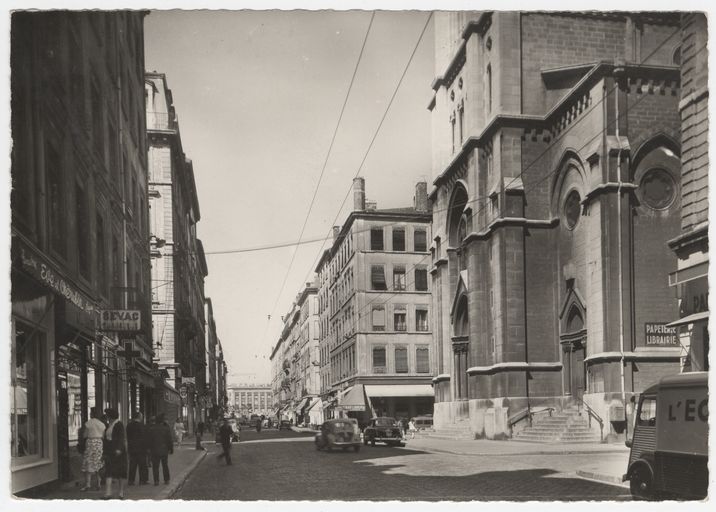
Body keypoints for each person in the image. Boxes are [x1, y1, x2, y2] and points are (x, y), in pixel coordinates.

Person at [102, 408, 128, 500]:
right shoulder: (109, 425)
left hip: (118, 451)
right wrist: (104, 451)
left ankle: (121, 492)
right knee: (109, 471)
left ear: (111, 416)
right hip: (110, 451)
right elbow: (106, 439)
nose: (107, 417)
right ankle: (108, 493)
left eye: (107, 415)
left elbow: (121, 437)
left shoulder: (119, 424)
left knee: (121, 472)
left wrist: (119, 449)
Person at [80, 407, 106, 491]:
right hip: (99, 443)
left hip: (90, 443)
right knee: (98, 463)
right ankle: (98, 484)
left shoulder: (88, 423)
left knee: (88, 463)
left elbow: (84, 435)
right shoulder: (102, 424)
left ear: (92, 413)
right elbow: (103, 435)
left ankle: (88, 484)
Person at [147, 413, 173, 485]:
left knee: (155, 466)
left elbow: (149, 440)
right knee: (165, 465)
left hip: (154, 450)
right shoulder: (166, 429)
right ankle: (166, 480)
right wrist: (171, 449)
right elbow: (169, 440)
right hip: (164, 449)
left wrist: (149, 448)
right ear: (162, 421)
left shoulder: (152, 429)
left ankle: (156, 481)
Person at [126, 412, 149, 486]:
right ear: (139, 417)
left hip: (132, 448)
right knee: (142, 465)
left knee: (132, 465)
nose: (142, 418)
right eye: (141, 416)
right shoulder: (142, 426)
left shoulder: (129, 425)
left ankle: (131, 480)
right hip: (141, 449)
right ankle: (143, 480)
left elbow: (128, 437)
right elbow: (144, 438)